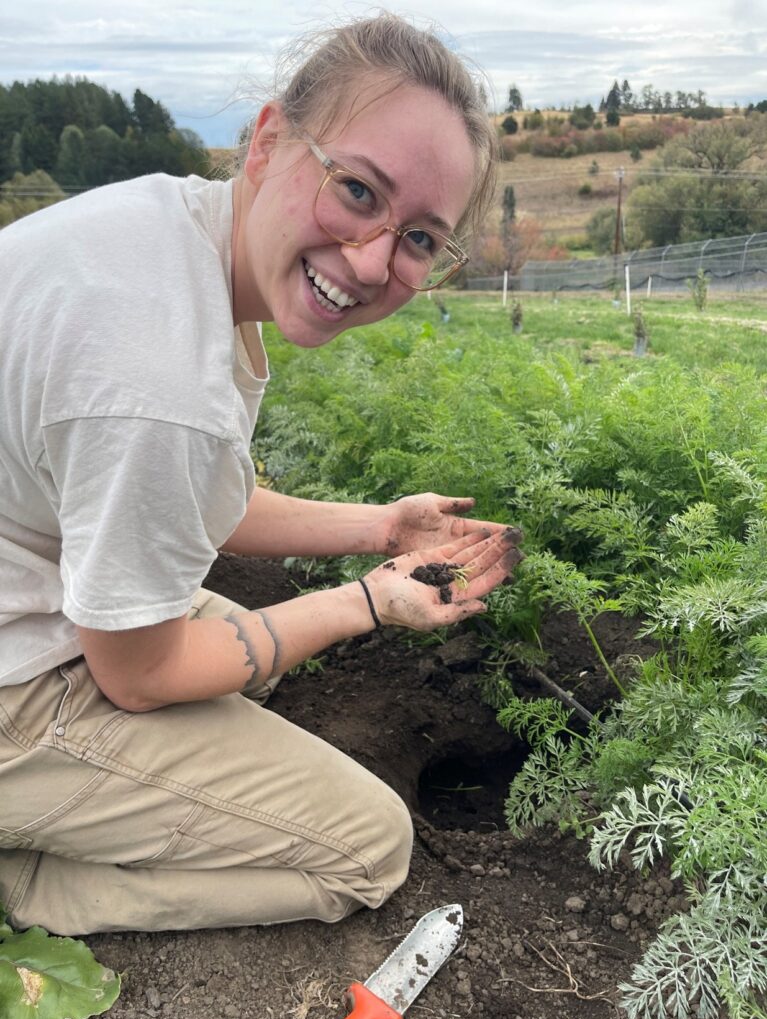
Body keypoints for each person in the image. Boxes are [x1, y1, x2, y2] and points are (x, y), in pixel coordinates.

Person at [0, 13, 522, 935]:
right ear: (270, 137)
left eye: (418, 240)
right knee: (367, 849)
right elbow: (142, 675)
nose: (371, 260)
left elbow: (186, 495)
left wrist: (381, 527)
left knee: (244, 658)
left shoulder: (174, 234)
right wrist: (366, 602)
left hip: (29, 582)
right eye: (357, 189)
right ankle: (28, 885)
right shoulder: (158, 377)